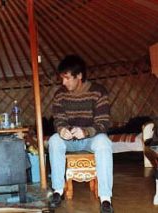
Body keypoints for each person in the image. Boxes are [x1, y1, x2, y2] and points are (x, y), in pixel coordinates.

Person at [48, 55, 113, 213]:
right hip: (70, 139)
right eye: (62, 78)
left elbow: (103, 122)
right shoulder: (60, 94)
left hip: (91, 139)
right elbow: (59, 120)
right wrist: (62, 130)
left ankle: (105, 198)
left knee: (104, 142)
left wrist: (85, 132)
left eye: (67, 78)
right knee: (54, 140)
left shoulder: (98, 92)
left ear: (79, 76)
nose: (63, 82)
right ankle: (58, 190)